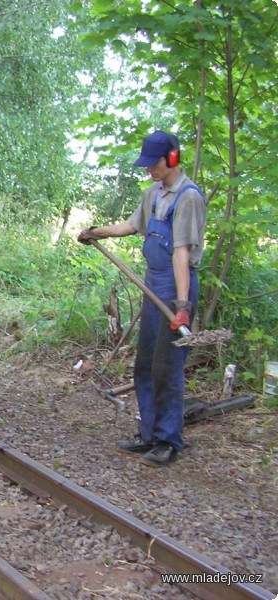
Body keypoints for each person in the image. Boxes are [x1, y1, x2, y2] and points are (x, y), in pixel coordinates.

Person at [77, 130, 207, 467]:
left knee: (167, 367)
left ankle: (168, 441)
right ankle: (148, 433)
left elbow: (180, 253)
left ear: (173, 158)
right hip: (153, 284)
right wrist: (95, 232)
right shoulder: (153, 194)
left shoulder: (188, 197)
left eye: (155, 163)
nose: (149, 169)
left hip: (176, 288)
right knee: (146, 363)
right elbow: (130, 225)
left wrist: (182, 307)